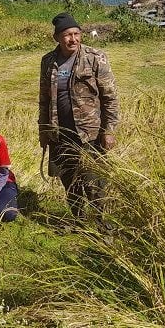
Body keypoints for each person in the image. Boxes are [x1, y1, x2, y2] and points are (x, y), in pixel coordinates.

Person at [38, 12, 120, 224]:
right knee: (69, 180)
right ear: (57, 37)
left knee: (95, 182)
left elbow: (110, 97)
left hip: (89, 133)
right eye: (67, 35)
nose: (72, 39)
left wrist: (109, 130)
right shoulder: (48, 62)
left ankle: (103, 225)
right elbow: (44, 100)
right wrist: (44, 131)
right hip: (60, 133)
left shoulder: (94, 57)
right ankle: (80, 223)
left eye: (76, 33)